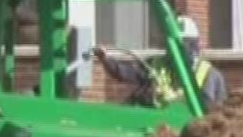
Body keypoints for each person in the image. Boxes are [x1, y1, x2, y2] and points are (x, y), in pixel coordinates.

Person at [92, 15, 227, 109]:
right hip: (155, 125)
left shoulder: (210, 75)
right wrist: (106, 59)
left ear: (194, 45)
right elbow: (126, 73)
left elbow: (218, 114)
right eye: (172, 45)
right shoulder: (155, 65)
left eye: (183, 44)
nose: (177, 50)